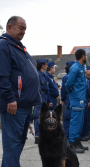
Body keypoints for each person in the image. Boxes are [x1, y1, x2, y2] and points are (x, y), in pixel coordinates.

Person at [0, 16, 41, 167]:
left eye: (25, 29)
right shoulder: (4, 45)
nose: (23, 32)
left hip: (25, 105)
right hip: (14, 105)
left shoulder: (19, 47)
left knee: (18, 143)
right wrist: (10, 98)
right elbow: (2, 76)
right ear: (9, 27)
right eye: (20, 28)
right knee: (12, 145)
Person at [65, 49, 88, 153]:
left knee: (80, 122)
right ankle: (72, 143)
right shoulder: (75, 68)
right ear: (83, 56)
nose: (86, 57)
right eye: (86, 55)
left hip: (81, 98)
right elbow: (68, 83)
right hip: (76, 99)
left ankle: (77, 141)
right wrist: (70, 92)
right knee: (75, 122)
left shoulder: (81, 67)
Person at [33, 59, 49, 144]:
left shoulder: (44, 75)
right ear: (42, 65)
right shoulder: (38, 74)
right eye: (46, 64)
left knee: (43, 117)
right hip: (40, 96)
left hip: (44, 96)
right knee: (38, 116)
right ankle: (38, 136)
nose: (47, 66)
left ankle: (42, 135)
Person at [61, 61, 75, 141]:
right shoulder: (67, 77)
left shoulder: (67, 76)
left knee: (69, 119)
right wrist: (63, 98)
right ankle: (66, 137)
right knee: (67, 119)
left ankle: (69, 137)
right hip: (69, 99)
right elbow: (64, 89)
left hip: (69, 99)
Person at [81, 66, 90, 141]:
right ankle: (83, 133)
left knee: (88, 117)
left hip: (87, 99)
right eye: (89, 70)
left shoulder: (88, 79)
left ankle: (87, 132)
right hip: (85, 99)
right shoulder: (84, 78)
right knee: (84, 118)